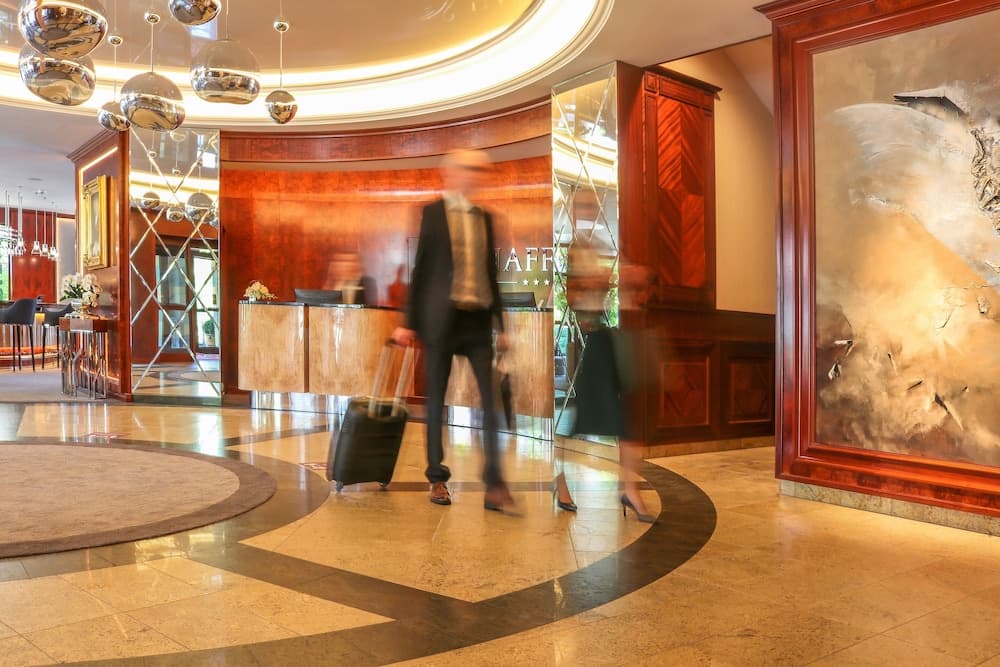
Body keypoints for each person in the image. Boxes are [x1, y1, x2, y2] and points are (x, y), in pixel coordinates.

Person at [393, 149, 512, 511]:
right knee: (436, 401)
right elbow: (421, 268)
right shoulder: (432, 213)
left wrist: (501, 324)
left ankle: (495, 484)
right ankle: (436, 477)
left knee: (490, 401)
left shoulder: (485, 218)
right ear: (452, 172)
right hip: (440, 322)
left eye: (480, 170)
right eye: (470, 169)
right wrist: (408, 322)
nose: (476, 175)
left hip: (477, 321)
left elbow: (491, 274)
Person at [566, 239, 655, 523]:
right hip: (596, 348)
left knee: (624, 425)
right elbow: (578, 307)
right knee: (585, 426)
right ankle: (562, 483)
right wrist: (596, 283)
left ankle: (630, 490)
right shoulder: (576, 282)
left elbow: (628, 286)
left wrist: (612, 280)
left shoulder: (599, 274)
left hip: (607, 345)